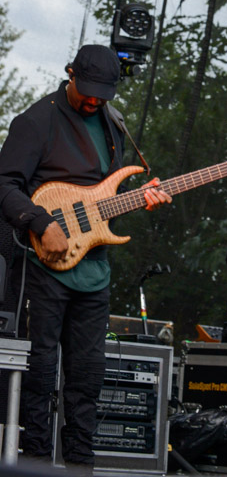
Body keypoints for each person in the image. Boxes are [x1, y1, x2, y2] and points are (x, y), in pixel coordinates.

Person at [0, 43, 171, 472]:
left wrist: (140, 199)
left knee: (88, 376)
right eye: (88, 89)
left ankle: (81, 465)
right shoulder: (37, 120)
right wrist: (39, 222)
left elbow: (101, 198)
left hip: (92, 269)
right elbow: (4, 184)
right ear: (70, 73)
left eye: (103, 92)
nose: (94, 99)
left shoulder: (113, 123)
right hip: (43, 266)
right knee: (39, 372)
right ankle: (33, 462)